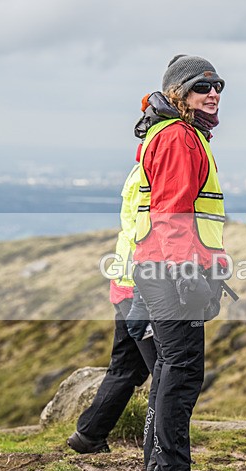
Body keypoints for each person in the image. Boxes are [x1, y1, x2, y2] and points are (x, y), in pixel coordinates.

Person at [131, 54, 230, 471]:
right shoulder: (177, 137)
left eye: (217, 87)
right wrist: (187, 272)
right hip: (171, 271)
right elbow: (172, 212)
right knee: (184, 367)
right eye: (201, 87)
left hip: (158, 268)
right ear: (178, 94)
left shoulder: (179, 133)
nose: (212, 94)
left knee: (172, 365)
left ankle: (161, 467)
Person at [66, 163, 157, 455]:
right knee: (167, 371)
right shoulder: (157, 169)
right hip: (143, 288)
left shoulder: (138, 170)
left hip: (125, 284)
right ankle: (162, 453)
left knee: (128, 367)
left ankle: (89, 434)